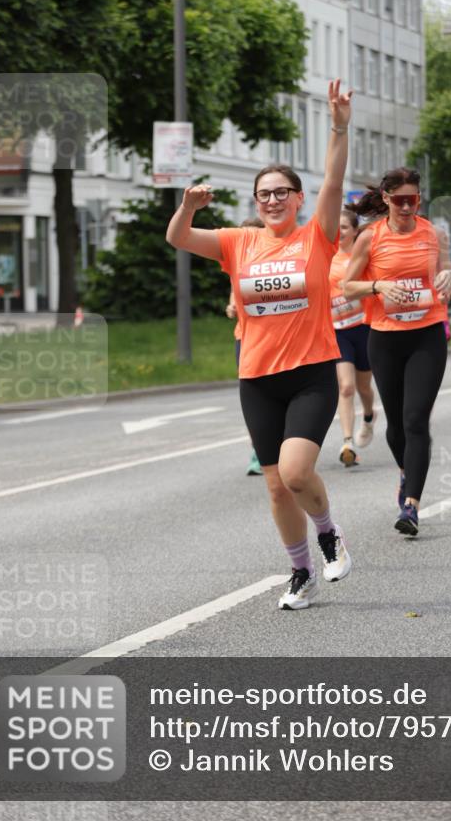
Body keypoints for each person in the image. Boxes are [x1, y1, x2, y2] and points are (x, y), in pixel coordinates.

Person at [166, 79, 354, 610]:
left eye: (282, 193)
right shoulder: (238, 241)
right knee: (274, 486)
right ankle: (300, 574)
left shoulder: (316, 235)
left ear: (298, 198)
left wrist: (338, 125)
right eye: (264, 194)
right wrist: (188, 207)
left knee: (296, 473)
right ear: (256, 202)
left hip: (311, 372)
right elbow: (178, 238)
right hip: (257, 378)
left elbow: (335, 177)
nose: (273, 200)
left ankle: (329, 533)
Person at [343, 167, 451, 537]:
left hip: (427, 335)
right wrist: (378, 286)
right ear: (387, 200)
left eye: (415, 200)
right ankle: (406, 470)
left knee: (415, 419)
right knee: (395, 426)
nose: (408, 207)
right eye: (401, 200)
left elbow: (446, 274)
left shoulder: (433, 234)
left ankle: (411, 506)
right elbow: (348, 287)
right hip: (385, 337)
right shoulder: (370, 238)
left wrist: (449, 278)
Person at [329, 208, 376, 467]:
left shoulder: (361, 258)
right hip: (338, 330)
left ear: (355, 231)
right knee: (345, 387)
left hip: (363, 327)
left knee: (363, 387)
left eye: (344, 228)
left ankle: (369, 415)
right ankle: (347, 442)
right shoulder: (325, 258)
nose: (339, 232)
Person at [226, 217, 265, 475]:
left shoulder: (278, 265)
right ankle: (258, 450)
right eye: (244, 236)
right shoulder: (238, 263)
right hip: (245, 339)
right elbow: (234, 296)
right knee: (254, 398)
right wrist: (231, 307)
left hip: (276, 341)